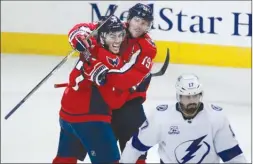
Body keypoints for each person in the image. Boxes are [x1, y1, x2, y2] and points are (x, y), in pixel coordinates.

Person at [66, 3, 157, 164]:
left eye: (144, 23)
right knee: (103, 156)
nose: (139, 26)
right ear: (129, 19)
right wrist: (78, 37)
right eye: (137, 20)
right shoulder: (113, 27)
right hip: (104, 103)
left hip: (130, 106)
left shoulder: (147, 48)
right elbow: (86, 28)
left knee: (135, 155)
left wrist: (95, 70)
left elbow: (124, 80)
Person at [120, 73, 247, 163]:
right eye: (187, 97)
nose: (192, 100)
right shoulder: (161, 117)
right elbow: (135, 147)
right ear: (179, 96)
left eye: (195, 96)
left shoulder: (216, 118)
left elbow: (232, 155)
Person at [53, 15, 128, 164]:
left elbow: (79, 30)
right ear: (102, 36)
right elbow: (116, 98)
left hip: (67, 115)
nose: (118, 40)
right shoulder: (107, 57)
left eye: (120, 35)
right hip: (90, 118)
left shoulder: (92, 43)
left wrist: (78, 38)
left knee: (65, 159)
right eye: (112, 36)